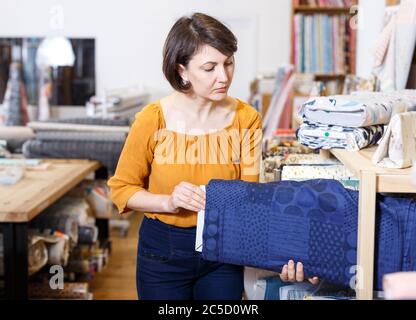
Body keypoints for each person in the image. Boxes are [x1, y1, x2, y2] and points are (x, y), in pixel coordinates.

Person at [108, 12, 318, 300]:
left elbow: (251, 199)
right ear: (182, 70)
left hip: (224, 251)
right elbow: (122, 190)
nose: (224, 76)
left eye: (229, 63)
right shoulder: (151, 119)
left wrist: (289, 249)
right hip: (163, 252)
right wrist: (168, 201)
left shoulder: (246, 119)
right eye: (210, 68)